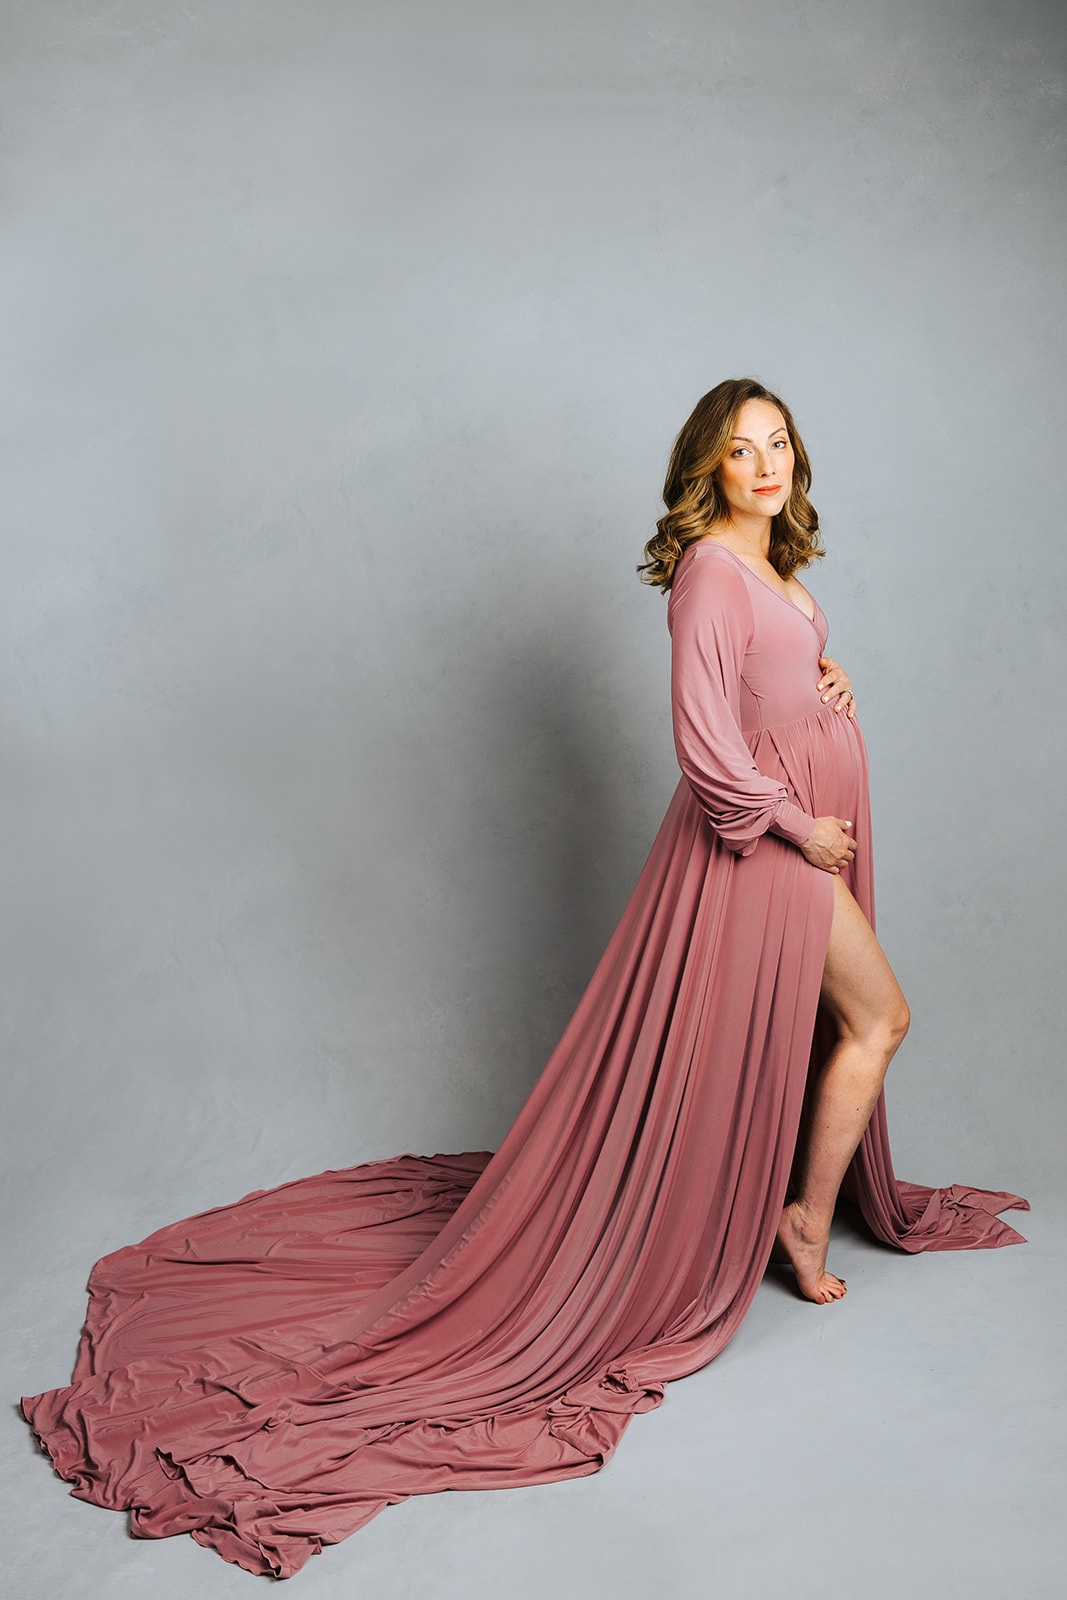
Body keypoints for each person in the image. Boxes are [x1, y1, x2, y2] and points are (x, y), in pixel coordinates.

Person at [21, 378, 1028, 1579]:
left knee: (843, 1026)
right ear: (704, 466)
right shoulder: (711, 566)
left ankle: (795, 1207)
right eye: (738, 447)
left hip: (798, 829)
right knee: (877, 1018)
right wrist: (792, 822)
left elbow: (763, 676)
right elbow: (705, 747)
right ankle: (799, 1220)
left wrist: (826, 674)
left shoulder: (764, 568)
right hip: (765, 852)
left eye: (777, 443)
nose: (762, 462)